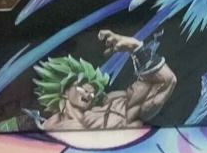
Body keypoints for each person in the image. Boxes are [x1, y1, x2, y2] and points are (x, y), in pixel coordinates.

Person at [34, 30, 177, 131]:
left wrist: (136, 48)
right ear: (65, 92)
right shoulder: (41, 129)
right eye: (82, 87)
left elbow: (166, 82)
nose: (89, 94)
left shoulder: (111, 114)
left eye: (92, 92)